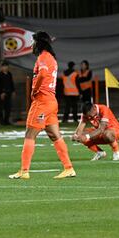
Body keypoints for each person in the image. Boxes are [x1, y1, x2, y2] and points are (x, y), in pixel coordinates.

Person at [9, 31, 75, 180]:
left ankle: (24, 171)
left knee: (29, 135)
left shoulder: (43, 57)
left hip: (42, 101)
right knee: (54, 135)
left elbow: (43, 74)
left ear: (39, 42)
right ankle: (69, 168)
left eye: (33, 42)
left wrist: (34, 89)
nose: (31, 45)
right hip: (51, 101)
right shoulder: (51, 58)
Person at [0, 61, 15, 125]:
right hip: (2, 93)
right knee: (1, 108)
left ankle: (7, 120)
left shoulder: (9, 74)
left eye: (6, 66)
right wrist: (2, 92)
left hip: (8, 93)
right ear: (1, 67)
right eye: (4, 66)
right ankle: (2, 121)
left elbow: (11, 83)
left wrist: (13, 91)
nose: (5, 68)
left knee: (8, 108)